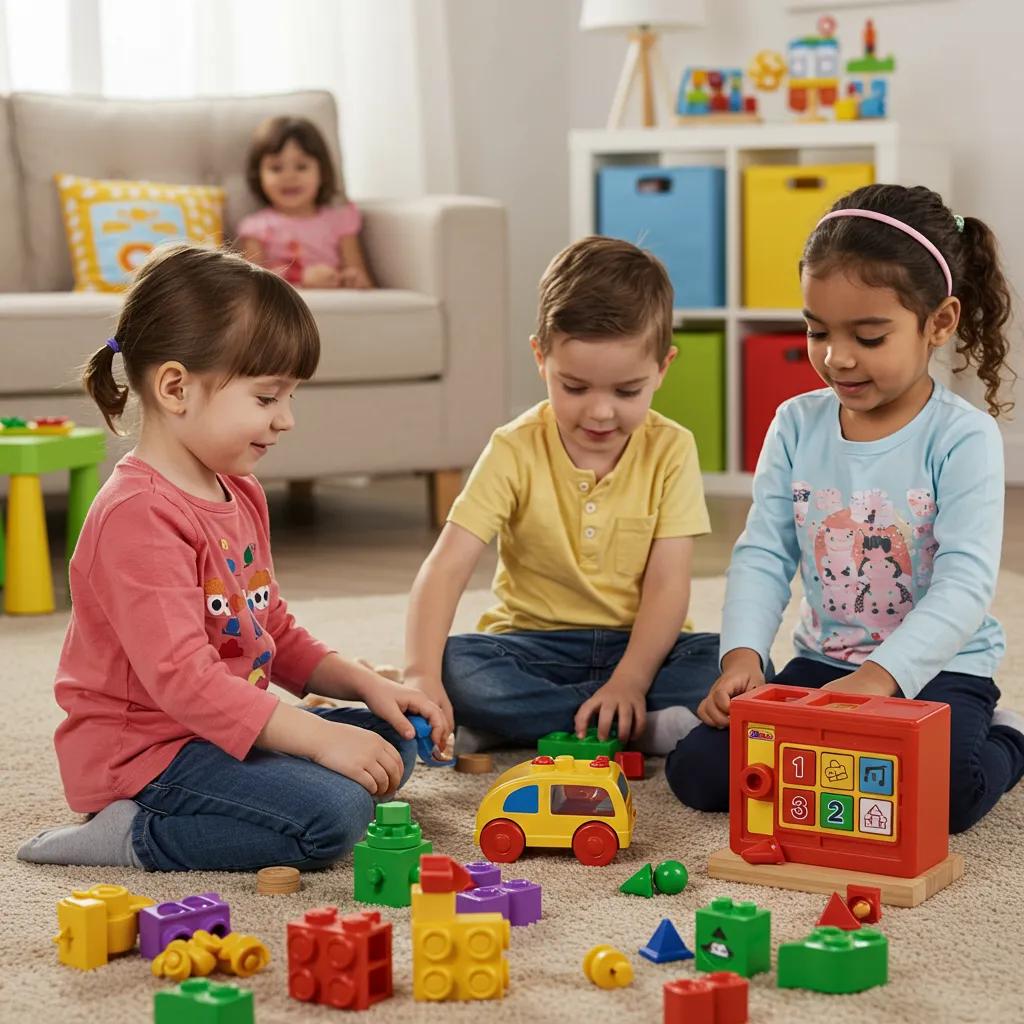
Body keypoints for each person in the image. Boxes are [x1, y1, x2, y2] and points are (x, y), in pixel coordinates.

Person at [17, 244, 442, 872]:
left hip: (221, 729)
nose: (288, 419)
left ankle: (294, 775)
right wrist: (319, 737)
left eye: (290, 397)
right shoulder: (137, 516)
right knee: (334, 817)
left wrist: (365, 684)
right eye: (268, 398)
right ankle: (131, 834)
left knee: (391, 741)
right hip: (150, 756)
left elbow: (269, 626)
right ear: (176, 387)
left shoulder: (236, 488)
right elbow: (185, 683)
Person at [668, 184, 1024, 833]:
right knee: (699, 774)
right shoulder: (795, 424)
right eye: (816, 330)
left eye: (868, 334)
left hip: (936, 669)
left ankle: (1010, 735)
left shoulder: (962, 438)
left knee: (945, 799)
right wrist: (743, 656)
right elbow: (764, 551)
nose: (837, 356)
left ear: (939, 323)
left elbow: (966, 584)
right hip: (824, 664)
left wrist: (882, 678)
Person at [403, 236, 721, 756]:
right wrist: (419, 675)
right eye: (575, 388)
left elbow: (668, 584)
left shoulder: (672, 449)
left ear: (663, 367)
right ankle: (633, 729)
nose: (599, 413)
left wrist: (631, 682)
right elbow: (447, 566)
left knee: (732, 662)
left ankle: (533, 723)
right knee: (456, 667)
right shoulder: (513, 447)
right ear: (540, 357)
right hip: (532, 645)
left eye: (626, 392)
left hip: (642, 646)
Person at [237, 115, 373, 289]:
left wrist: (352, 278)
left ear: (322, 172)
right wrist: (301, 278)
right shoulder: (256, 228)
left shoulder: (340, 221)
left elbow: (363, 281)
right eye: (276, 168)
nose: (289, 177)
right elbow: (253, 286)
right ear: (259, 175)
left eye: (301, 167)